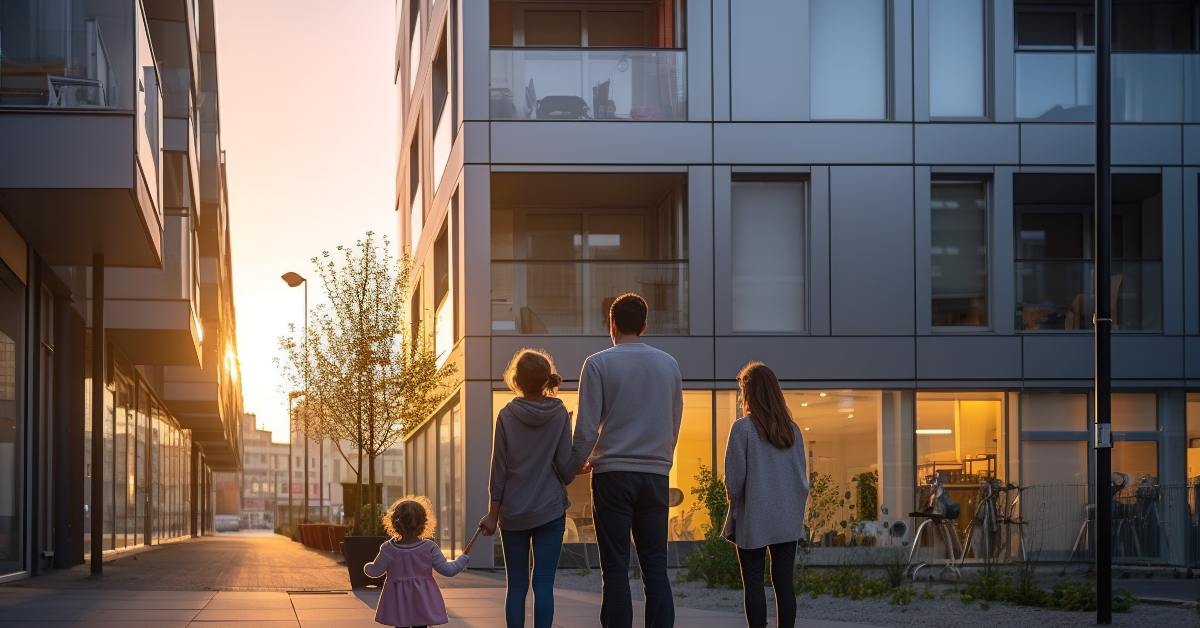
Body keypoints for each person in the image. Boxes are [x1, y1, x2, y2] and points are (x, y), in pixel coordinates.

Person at [571, 293, 683, 628]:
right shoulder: (669, 365)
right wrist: (661, 459)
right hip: (654, 476)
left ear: (612, 324)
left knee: (616, 568)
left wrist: (575, 463)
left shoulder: (598, 363)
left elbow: (587, 425)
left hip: (612, 476)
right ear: (645, 325)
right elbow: (673, 421)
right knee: (655, 567)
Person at [479, 348, 576, 628]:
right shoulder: (559, 412)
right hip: (550, 511)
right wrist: (578, 465)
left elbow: (499, 470)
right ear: (546, 380)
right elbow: (564, 469)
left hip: (513, 513)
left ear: (516, 379)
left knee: (517, 586)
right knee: (544, 584)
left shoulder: (506, 415)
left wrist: (492, 514)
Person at [722, 362, 809, 628]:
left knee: (753, 583)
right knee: (784, 583)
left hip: (754, 519)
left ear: (749, 393)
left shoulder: (743, 429)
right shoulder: (792, 431)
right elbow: (802, 480)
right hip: (787, 519)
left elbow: (734, 485)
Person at [366, 496, 475, 628]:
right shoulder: (428, 547)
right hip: (422, 602)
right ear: (423, 523)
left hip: (398, 604)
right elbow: (448, 570)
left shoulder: (388, 548)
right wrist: (462, 559)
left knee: (400, 625)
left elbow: (376, 571)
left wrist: (368, 568)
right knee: (421, 625)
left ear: (394, 523)